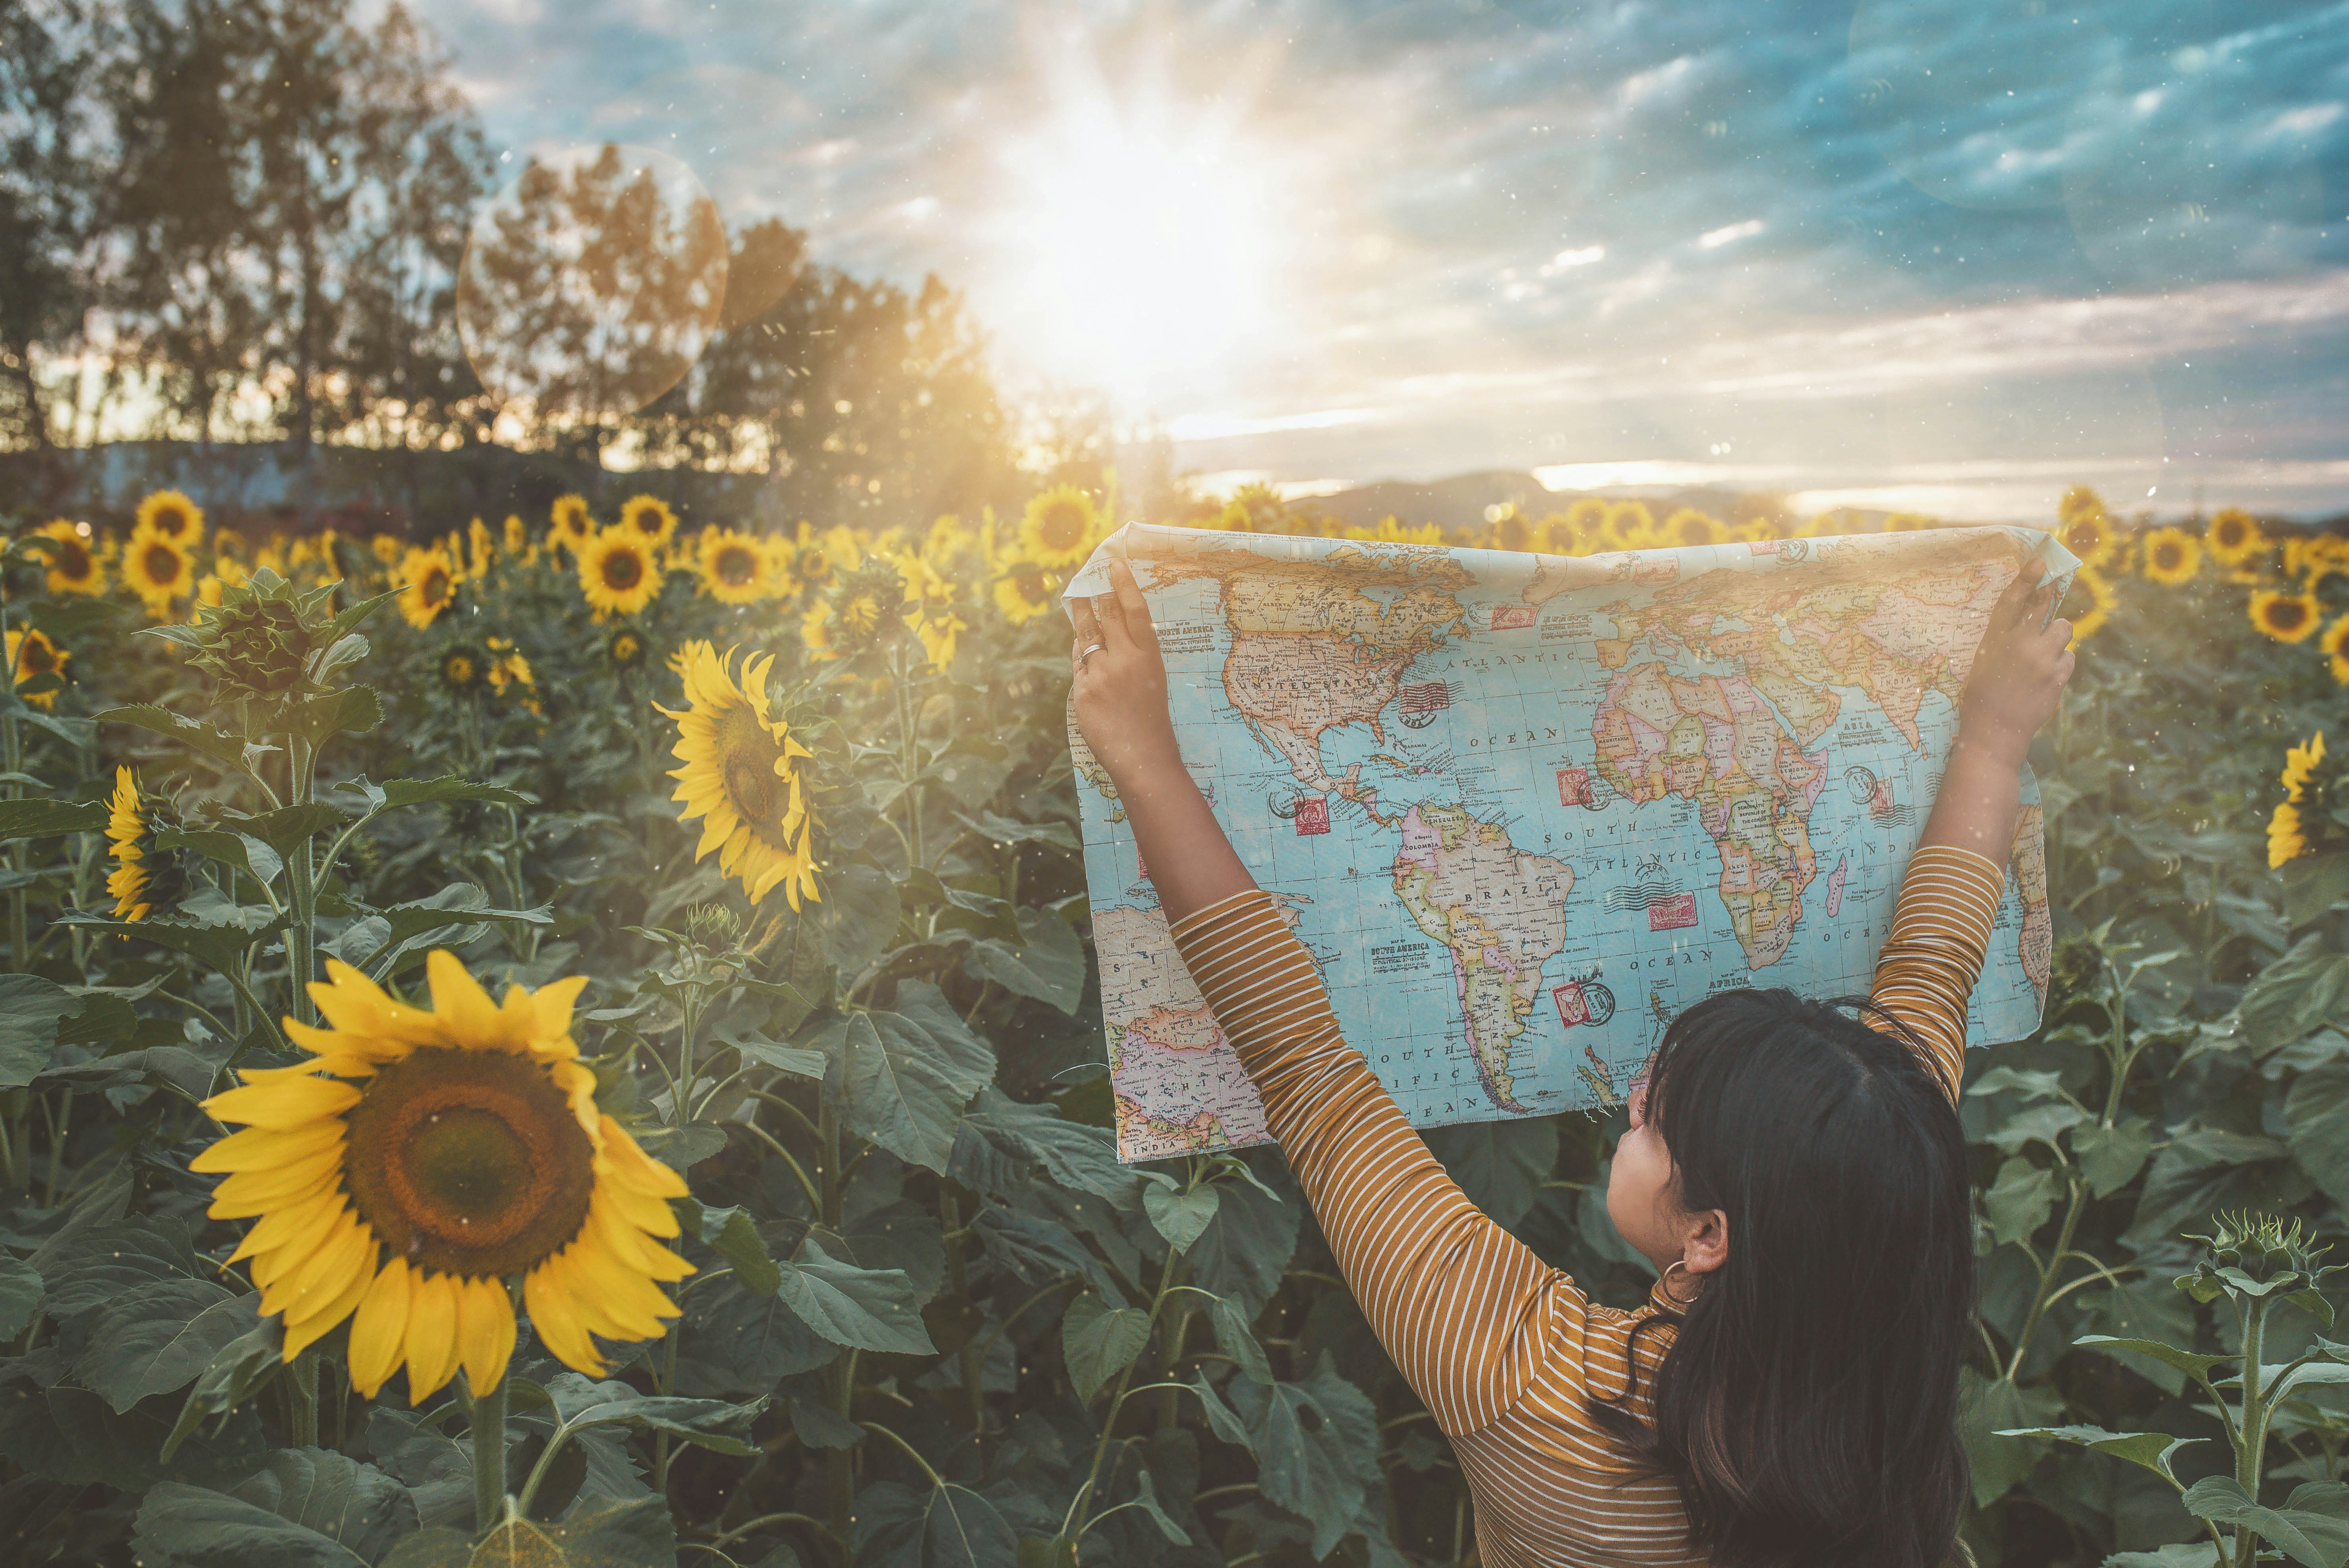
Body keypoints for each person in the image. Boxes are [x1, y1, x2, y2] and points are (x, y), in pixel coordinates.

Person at [1068, 547, 2075, 1568]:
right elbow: (1930, 976)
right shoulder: (1881, 1283)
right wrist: (1992, 740)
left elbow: (1308, 1075)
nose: (1629, 1097)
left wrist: (1144, 755)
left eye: (1654, 1119)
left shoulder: (1533, 1387)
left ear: (1711, 1234)